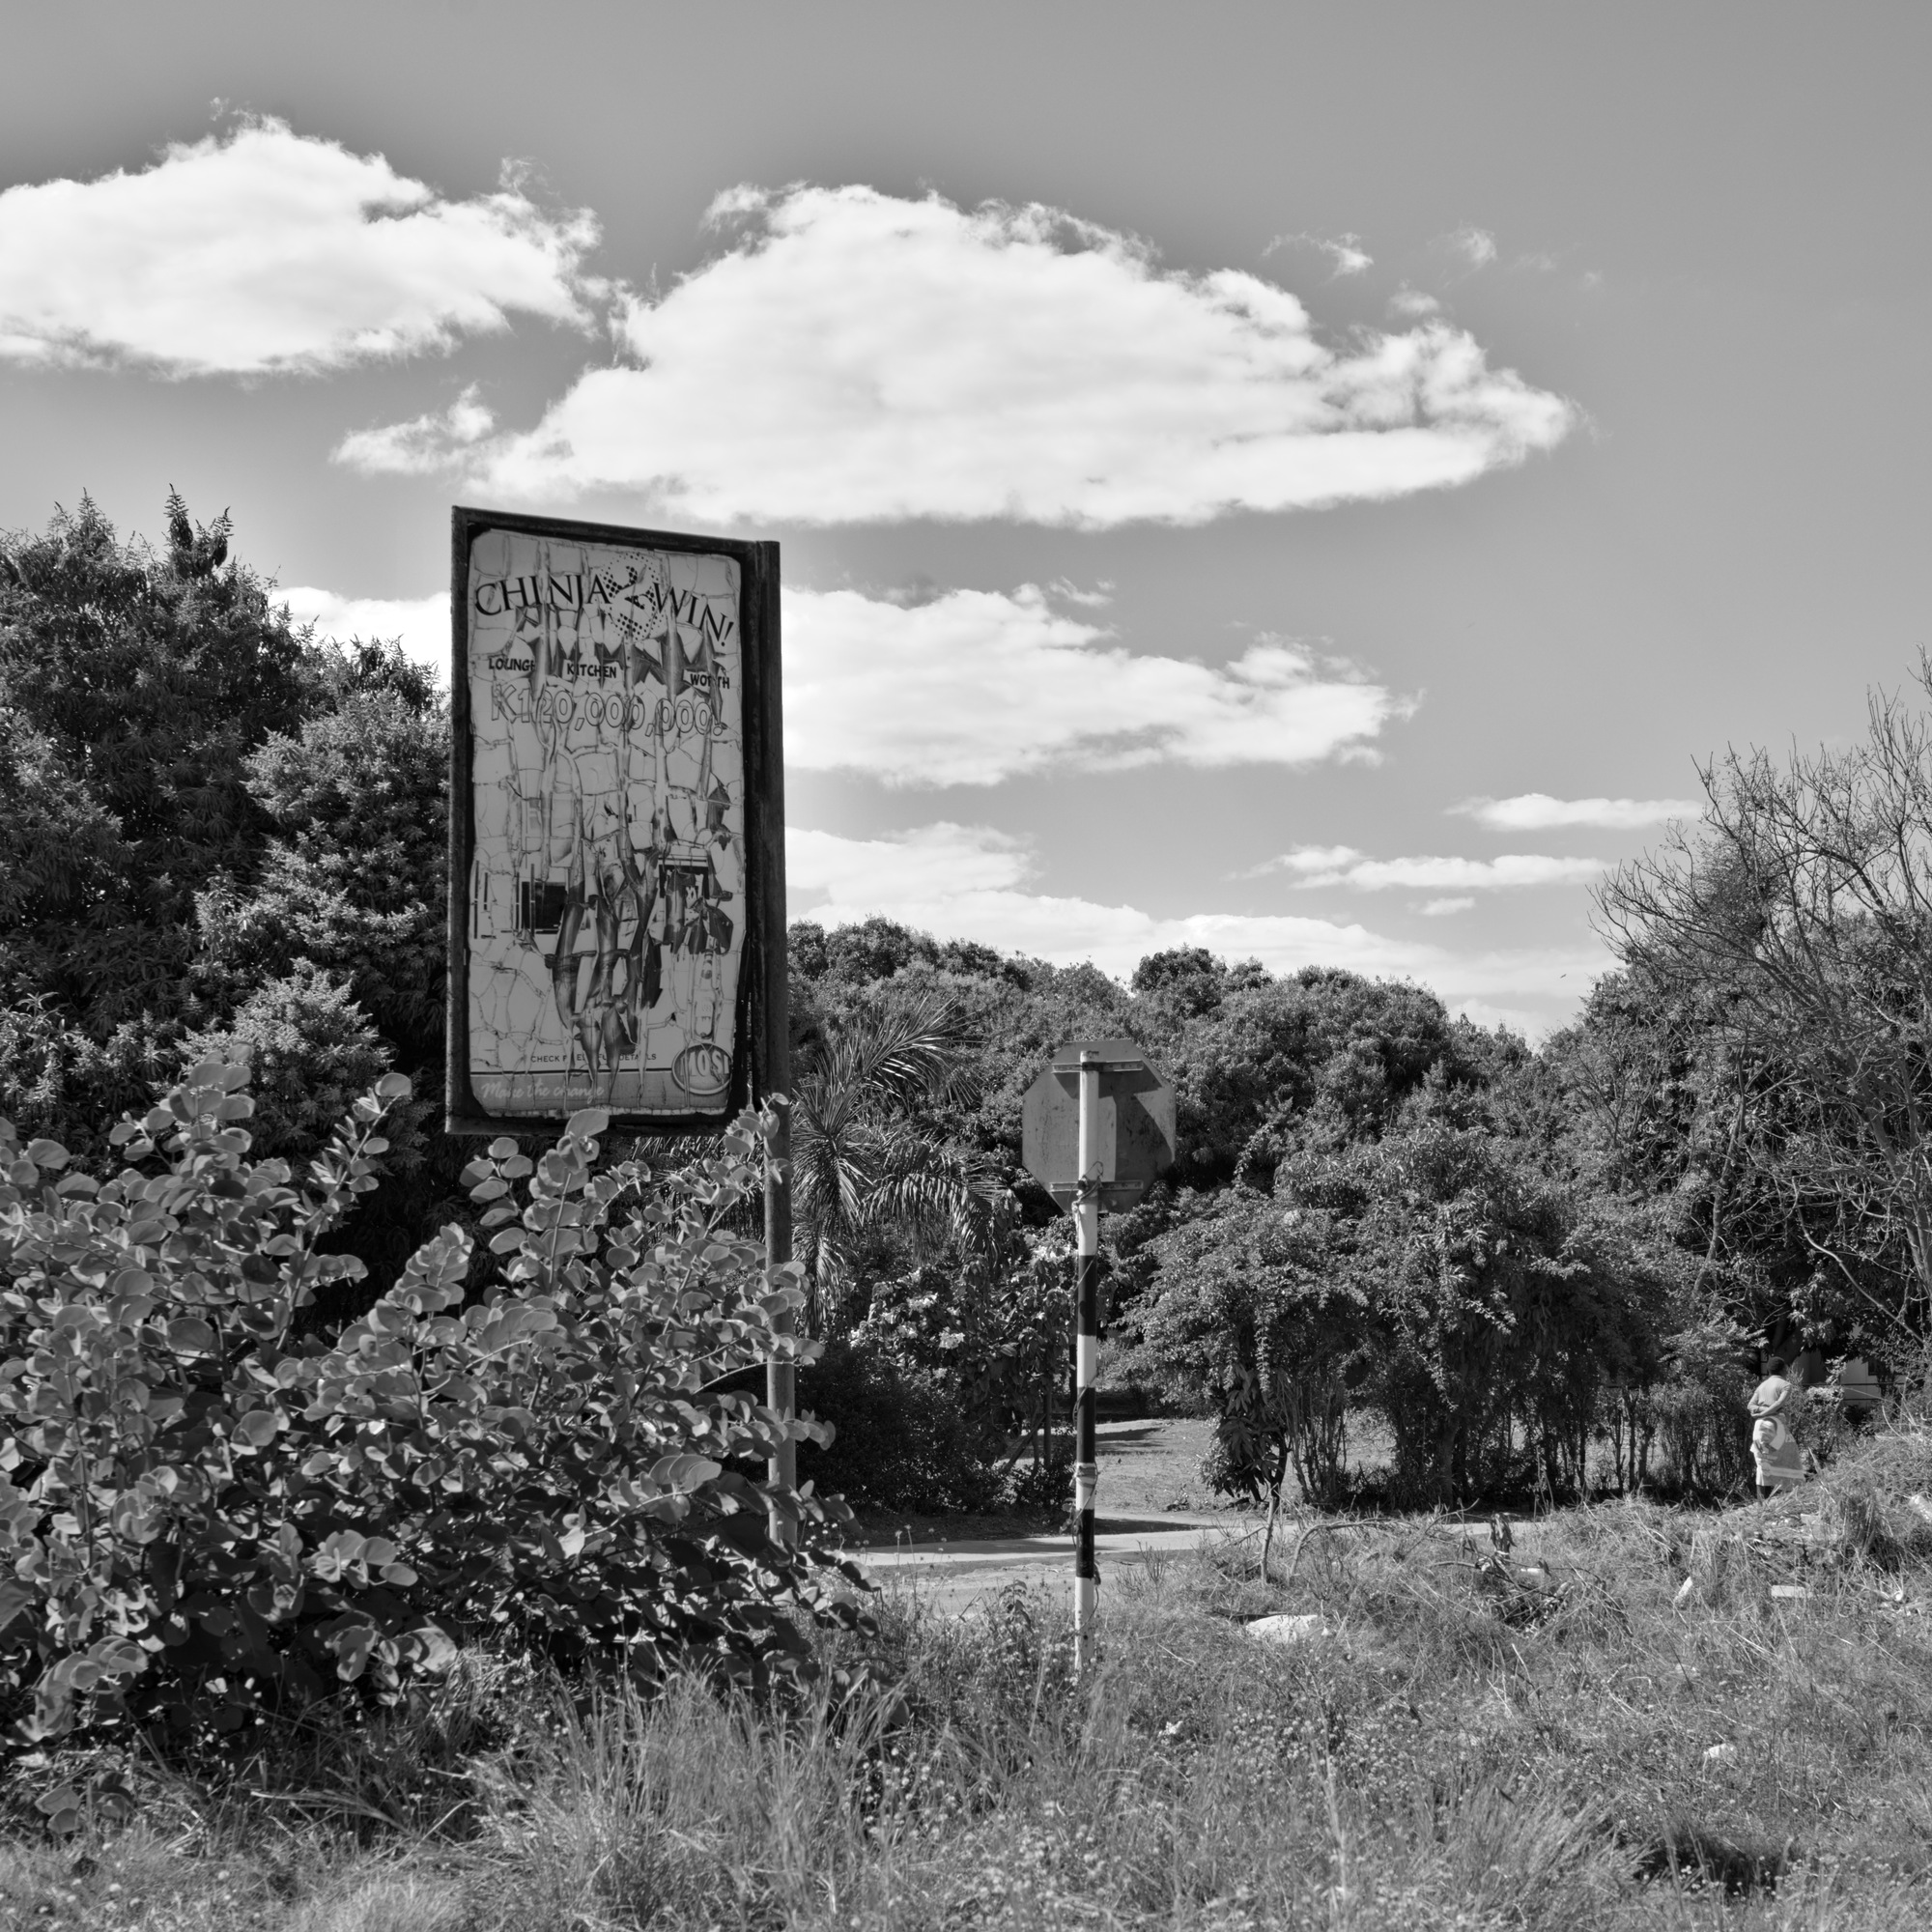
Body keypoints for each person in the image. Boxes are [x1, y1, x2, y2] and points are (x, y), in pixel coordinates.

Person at [1748, 1358, 1805, 1499]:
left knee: (1763, 1463)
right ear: (1784, 1369)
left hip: (1759, 1426)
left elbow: (1750, 1406)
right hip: (1775, 1424)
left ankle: (1762, 1504)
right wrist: (1768, 1412)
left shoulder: (1762, 1386)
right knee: (1791, 1461)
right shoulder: (1786, 1385)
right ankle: (1791, 1499)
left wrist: (1761, 1412)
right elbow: (1779, 1403)